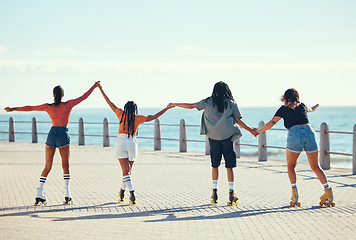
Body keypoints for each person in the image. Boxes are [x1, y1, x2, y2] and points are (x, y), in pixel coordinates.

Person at [4, 81, 100, 205]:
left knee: (47, 166)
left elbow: (30, 108)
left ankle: (39, 193)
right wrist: (94, 86)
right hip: (62, 135)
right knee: (65, 166)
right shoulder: (68, 104)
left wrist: (13, 109)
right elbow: (83, 97)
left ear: (53, 95)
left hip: (51, 134)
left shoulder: (48, 106)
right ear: (63, 94)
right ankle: (67, 194)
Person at [169, 81, 257, 206]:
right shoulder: (231, 104)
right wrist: (251, 130)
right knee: (229, 166)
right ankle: (231, 193)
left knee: (215, 165)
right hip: (227, 137)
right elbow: (238, 121)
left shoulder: (208, 102)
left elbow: (191, 106)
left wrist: (175, 104)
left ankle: (214, 192)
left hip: (213, 137)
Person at [97, 83, 174, 205]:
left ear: (126, 108)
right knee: (128, 171)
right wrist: (167, 108)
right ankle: (122, 192)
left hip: (121, 142)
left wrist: (101, 89)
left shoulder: (120, 114)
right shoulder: (138, 118)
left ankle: (132, 193)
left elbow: (109, 102)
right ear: (135, 109)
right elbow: (154, 116)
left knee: (125, 171)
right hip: (132, 143)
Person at [256, 88, 335, 207]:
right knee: (315, 166)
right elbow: (310, 109)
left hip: (295, 134)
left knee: (291, 166)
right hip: (309, 132)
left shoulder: (283, 109)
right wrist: (313, 108)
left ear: (285, 98)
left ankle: (294, 194)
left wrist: (259, 131)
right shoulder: (302, 105)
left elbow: (271, 123)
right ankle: (328, 191)